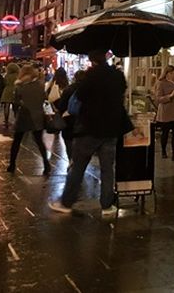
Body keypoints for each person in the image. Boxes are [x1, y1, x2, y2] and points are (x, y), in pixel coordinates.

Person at [49, 49, 130, 216]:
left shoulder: (91, 77)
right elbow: (122, 92)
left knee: (78, 166)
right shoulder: (117, 75)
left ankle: (66, 202)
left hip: (90, 128)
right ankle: (107, 206)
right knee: (108, 169)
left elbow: (81, 97)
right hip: (111, 128)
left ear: (92, 60)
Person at [7, 65, 51, 175]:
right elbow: (44, 99)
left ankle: (12, 165)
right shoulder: (40, 86)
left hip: (24, 116)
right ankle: (46, 164)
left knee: (17, 141)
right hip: (38, 116)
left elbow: (16, 102)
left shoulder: (20, 87)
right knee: (39, 141)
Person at [52, 70, 86, 162]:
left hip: (69, 119)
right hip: (84, 120)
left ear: (75, 78)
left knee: (69, 141)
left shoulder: (68, 89)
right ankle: (79, 162)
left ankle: (71, 160)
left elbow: (61, 106)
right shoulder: (90, 89)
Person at [155, 65, 174, 161]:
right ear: (166, 74)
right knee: (165, 132)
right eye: (171, 73)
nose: (173, 75)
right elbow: (158, 99)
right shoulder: (161, 83)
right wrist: (171, 95)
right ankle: (163, 151)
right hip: (166, 111)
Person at [0, 63, 19, 127]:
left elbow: (4, 82)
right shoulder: (18, 75)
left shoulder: (7, 75)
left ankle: (6, 121)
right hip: (15, 90)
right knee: (15, 107)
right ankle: (16, 121)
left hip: (7, 90)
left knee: (6, 106)